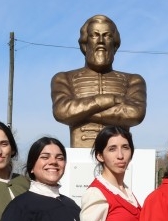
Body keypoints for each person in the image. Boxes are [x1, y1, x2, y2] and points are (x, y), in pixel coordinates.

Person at [51, 15, 147, 147]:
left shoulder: (133, 80)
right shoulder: (63, 78)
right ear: (84, 44)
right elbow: (61, 111)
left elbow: (135, 114)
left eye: (107, 36)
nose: (101, 41)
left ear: (115, 45)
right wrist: (111, 99)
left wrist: (78, 113)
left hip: (118, 152)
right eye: (94, 35)